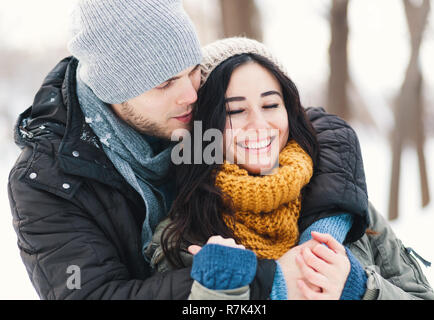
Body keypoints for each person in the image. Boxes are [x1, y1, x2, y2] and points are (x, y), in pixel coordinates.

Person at [7, 0, 368, 299]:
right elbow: (91, 295)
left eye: (193, 71)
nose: (192, 95)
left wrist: (326, 231)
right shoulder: (48, 181)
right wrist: (261, 280)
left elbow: (310, 126)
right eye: (165, 83)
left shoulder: (189, 114)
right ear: (112, 92)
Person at [147, 37, 434, 300]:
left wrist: (361, 290)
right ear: (206, 124)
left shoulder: (343, 205)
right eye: (235, 111)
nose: (259, 125)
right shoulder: (180, 236)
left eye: (271, 105)